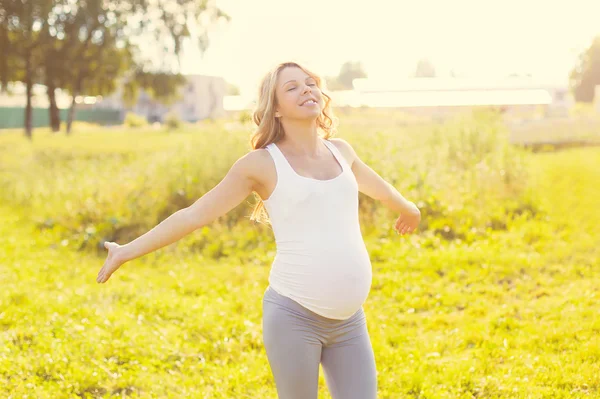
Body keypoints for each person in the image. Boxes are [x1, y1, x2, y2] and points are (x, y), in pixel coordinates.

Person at [96, 61, 421, 399]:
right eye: (292, 87)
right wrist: (126, 251)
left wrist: (408, 209)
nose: (306, 89)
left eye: (310, 83)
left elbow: (381, 189)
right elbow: (193, 215)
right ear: (275, 109)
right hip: (295, 318)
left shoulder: (341, 152)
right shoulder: (261, 165)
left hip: (350, 321)